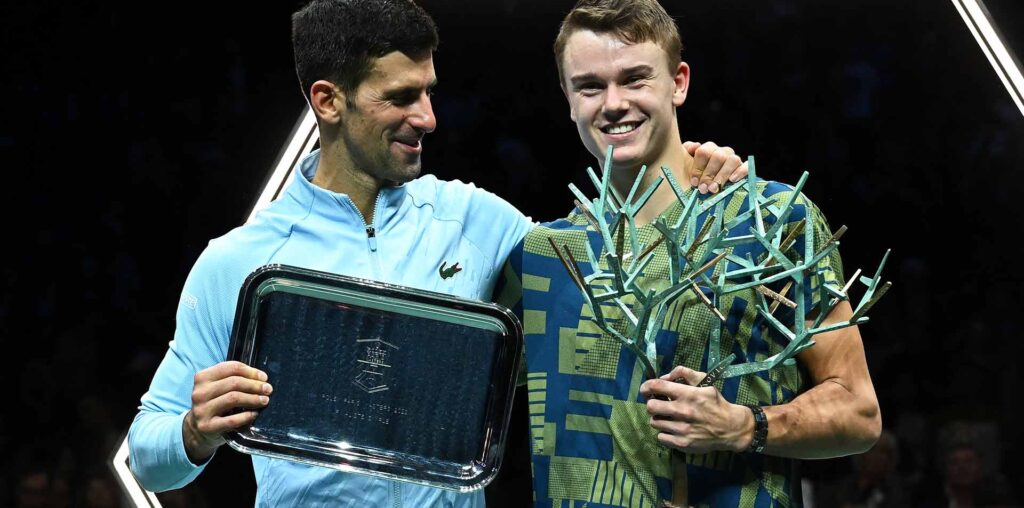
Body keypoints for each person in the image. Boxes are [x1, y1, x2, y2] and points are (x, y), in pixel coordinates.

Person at [127, 0, 747, 506]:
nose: (426, 117)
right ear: (328, 101)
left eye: (428, 92)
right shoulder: (236, 262)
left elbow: (607, 250)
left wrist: (689, 165)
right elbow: (150, 455)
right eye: (400, 97)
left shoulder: (475, 219)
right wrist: (193, 431)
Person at [501, 0, 882, 506]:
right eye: (590, 86)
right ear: (569, 99)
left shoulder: (770, 220)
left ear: (678, 82)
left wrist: (745, 426)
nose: (613, 103)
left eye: (635, 79)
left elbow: (859, 412)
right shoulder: (543, 255)